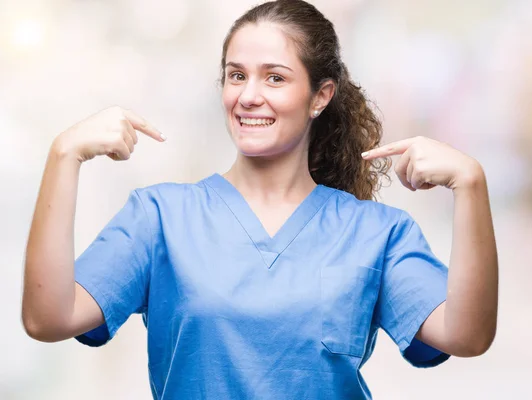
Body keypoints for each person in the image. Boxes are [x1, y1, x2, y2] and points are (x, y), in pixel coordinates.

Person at [21, 0, 498, 398]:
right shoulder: (160, 218)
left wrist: (471, 185)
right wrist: (63, 156)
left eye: (274, 78)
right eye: (236, 75)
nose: (249, 95)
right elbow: (47, 318)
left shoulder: (378, 234)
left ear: (320, 96)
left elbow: (467, 335)